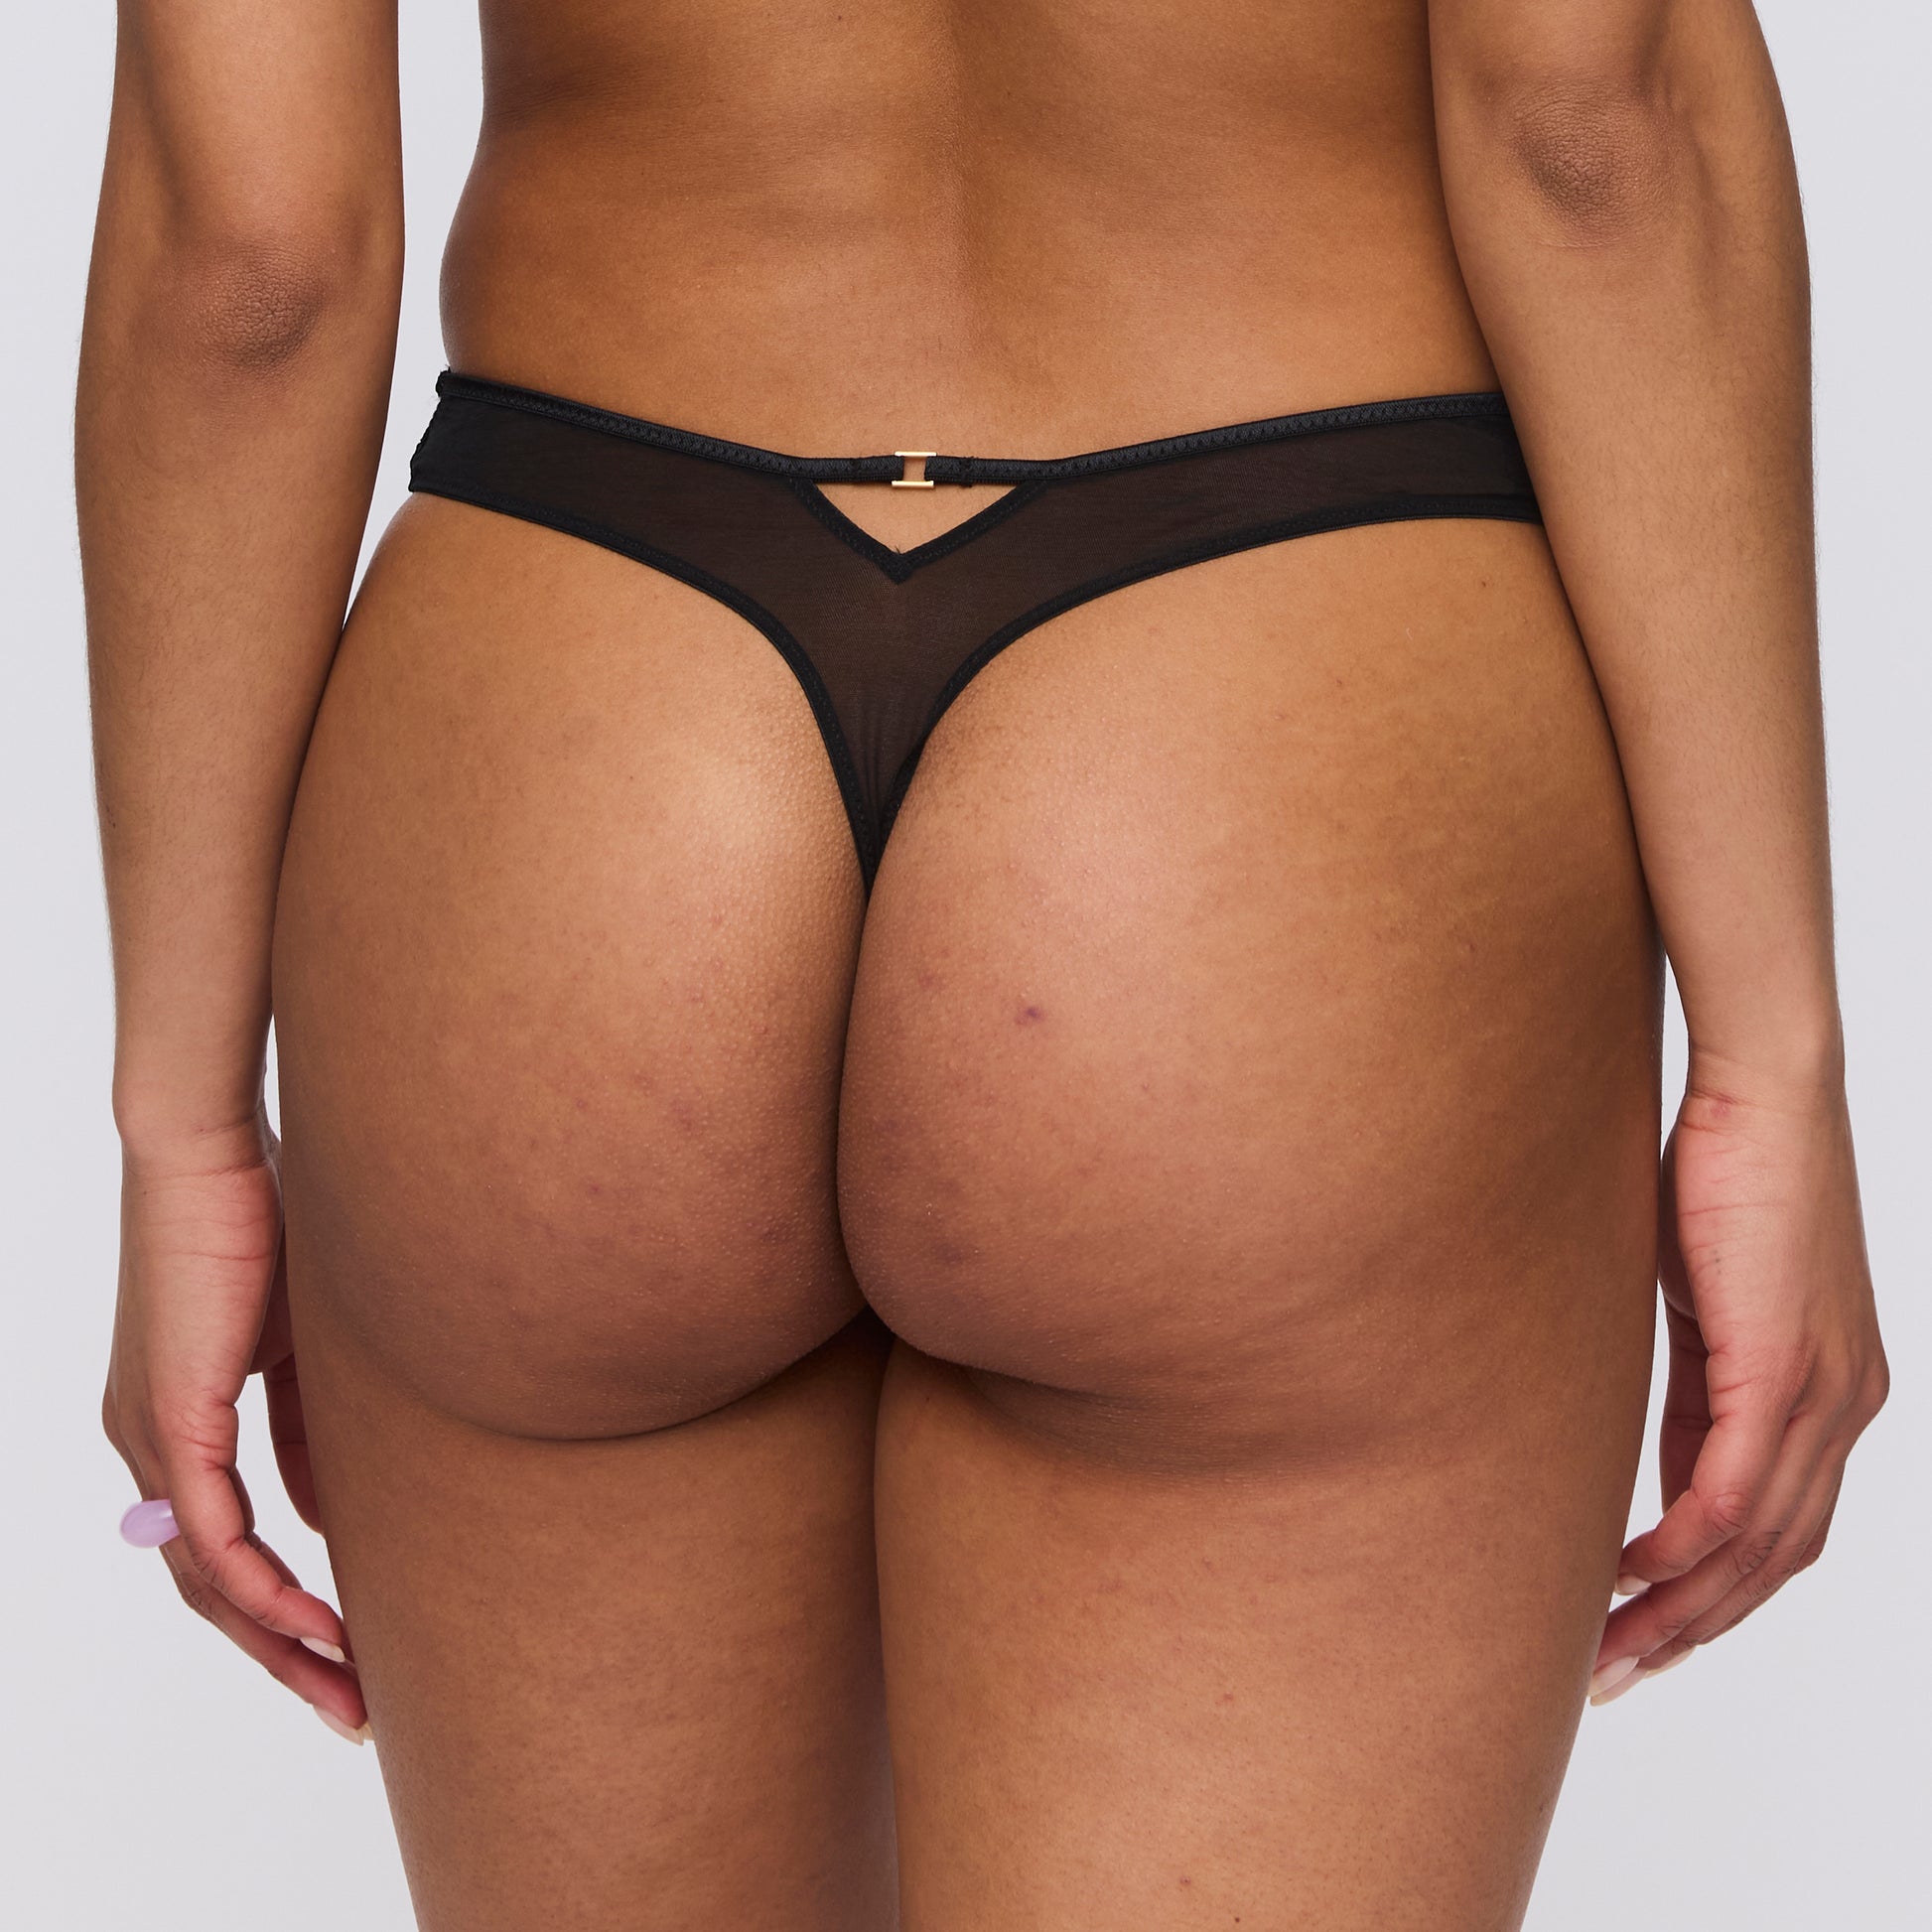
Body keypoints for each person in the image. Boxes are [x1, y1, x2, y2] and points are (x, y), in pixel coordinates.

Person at [79, 0, 1887, 1925]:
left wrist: (184, 1121)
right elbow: (1587, 110)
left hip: (577, 733)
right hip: (1263, 736)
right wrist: (1766, 1053)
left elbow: (249, 262)